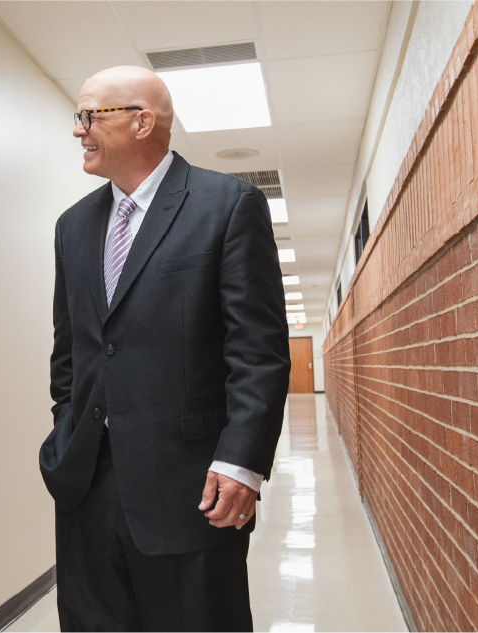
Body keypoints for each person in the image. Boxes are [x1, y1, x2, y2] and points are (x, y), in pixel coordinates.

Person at [39, 66, 291, 631]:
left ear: (141, 121)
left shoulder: (227, 206)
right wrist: (66, 428)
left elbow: (258, 351)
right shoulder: (72, 227)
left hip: (192, 488)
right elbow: (71, 354)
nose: (78, 130)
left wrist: (241, 462)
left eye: (89, 116)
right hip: (87, 489)